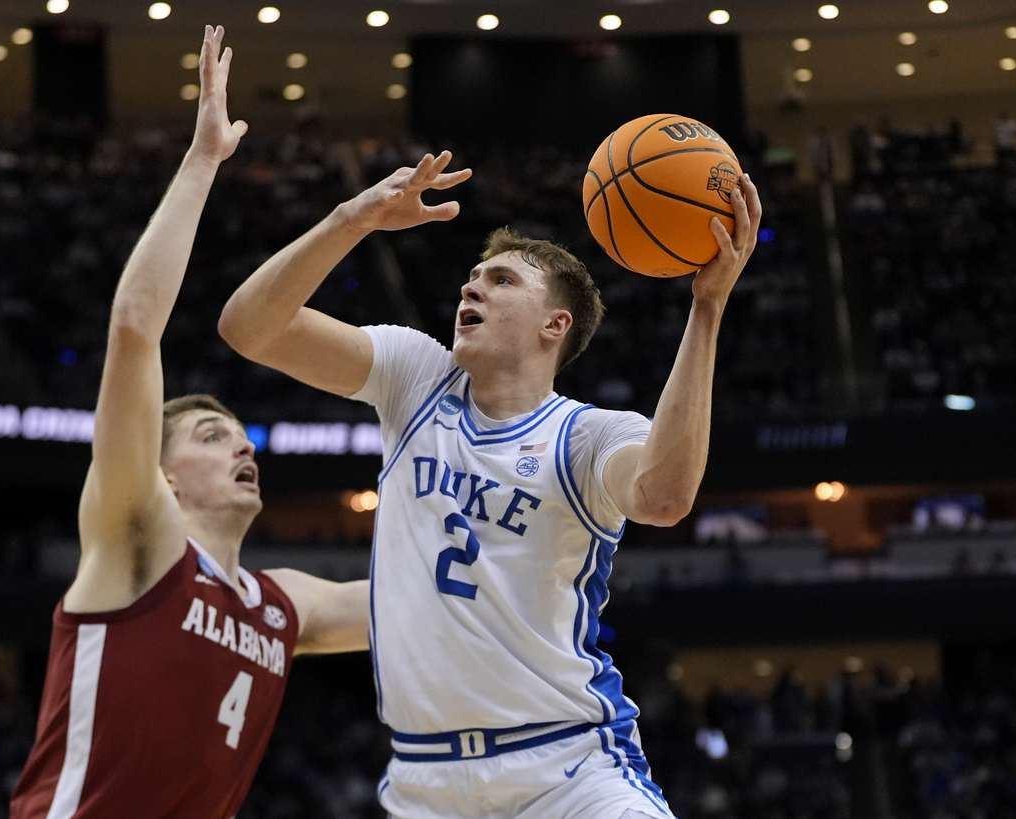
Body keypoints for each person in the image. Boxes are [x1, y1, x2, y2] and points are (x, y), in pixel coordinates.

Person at [220, 146, 762, 817]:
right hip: (426, 782)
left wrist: (706, 308)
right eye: (472, 278)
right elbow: (249, 328)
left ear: (554, 325)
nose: (471, 288)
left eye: (500, 280)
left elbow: (665, 496)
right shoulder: (415, 376)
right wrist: (351, 219)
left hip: (566, 769)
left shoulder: (588, 435)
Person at [9, 26, 368, 819]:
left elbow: (420, 602)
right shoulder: (139, 539)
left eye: (240, 433)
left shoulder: (282, 605)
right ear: (161, 475)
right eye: (211, 434)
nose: (242, 442)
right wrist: (204, 160)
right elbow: (136, 326)